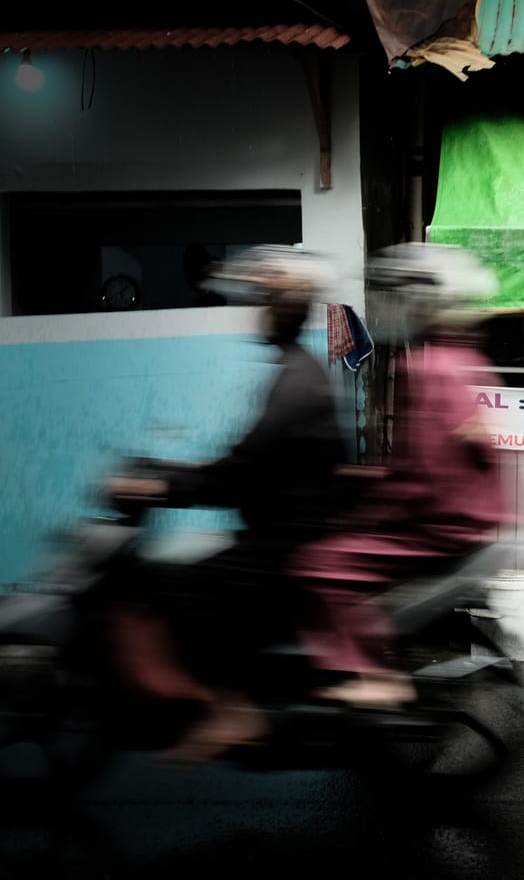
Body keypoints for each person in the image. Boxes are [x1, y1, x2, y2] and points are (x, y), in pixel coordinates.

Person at [108, 244, 349, 763]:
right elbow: (245, 462)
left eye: (263, 301)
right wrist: (171, 473)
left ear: (282, 309)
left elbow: (240, 472)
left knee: (184, 585)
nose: (257, 312)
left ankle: (232, 708)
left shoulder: (294, 385)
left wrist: (164, 488)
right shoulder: (296, 370)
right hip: (282, 529)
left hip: (281, 544)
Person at [288, 242, 513, 707]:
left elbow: (424, 477)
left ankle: (368, 673)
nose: (397, 308)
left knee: (316, 565)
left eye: (403, 297)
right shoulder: (466, 363)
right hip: (470, 517)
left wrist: (369, 513)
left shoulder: (426, 369)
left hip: (438, 524)